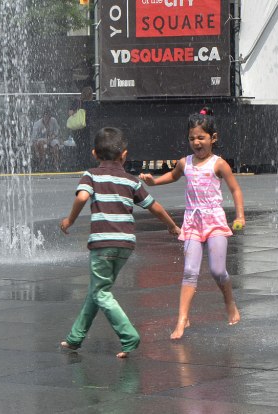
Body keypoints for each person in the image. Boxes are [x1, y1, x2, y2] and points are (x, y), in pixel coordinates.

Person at [59, 127, 181, 358]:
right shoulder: (130, 181)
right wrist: (171, 225)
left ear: (94, 153)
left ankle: (129, 336)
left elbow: (82, 197)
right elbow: (153, 205)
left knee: (101, 292)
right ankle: (75, 337)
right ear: (124, 155)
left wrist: (69, 220)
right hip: (125, 244)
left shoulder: (91, 174)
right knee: (97, 290)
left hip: (103, 243)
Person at [139, 107, 244, 340]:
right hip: (193, 223)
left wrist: (239, 216)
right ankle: (182, 319)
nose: (196, 142)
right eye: (192, 138)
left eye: (201, 138)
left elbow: (235, 190)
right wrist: (154, 182)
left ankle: (229, 302)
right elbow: (173, 176)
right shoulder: (184, 163)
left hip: (215, 220)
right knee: (189, 271)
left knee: (217, 271)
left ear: (213, 139)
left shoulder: (219, 164)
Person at [69, 86, 95, 169]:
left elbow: (70, 113)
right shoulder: (92, 104)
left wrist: (77, 112)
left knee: (79, 146)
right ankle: (86, 165)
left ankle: (78, 164)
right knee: (87, 146)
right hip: (87, 128)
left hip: (77, 128)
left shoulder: (77, 102)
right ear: (91, 95)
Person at [31, 106, 61, 170]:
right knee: (42, 143)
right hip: (41, 140)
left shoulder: (53, 120)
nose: (47, 118)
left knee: (55, 144)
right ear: (43, 116)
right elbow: (34, 139)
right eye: (46, 116)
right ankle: (42, 162)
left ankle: (56, 163)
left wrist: (52, 137)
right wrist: (36, 150)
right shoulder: (37, 124)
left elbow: (57, 131)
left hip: (51, 139)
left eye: (49, 116)